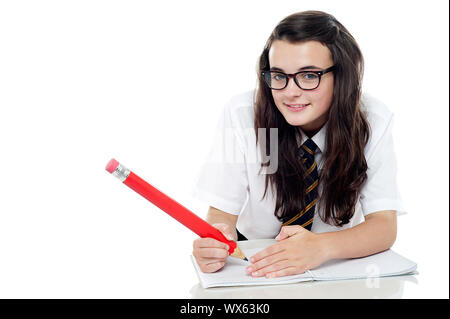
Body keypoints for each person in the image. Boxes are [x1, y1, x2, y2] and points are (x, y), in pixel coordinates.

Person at [192, 10, 405, 278]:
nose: (290, 92)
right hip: (255, 258)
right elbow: (221, 214)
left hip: (335, 261)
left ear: (341, 76)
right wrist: (216, 240)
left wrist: (321, 248)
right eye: (279, 75)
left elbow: (383, 226)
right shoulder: (242, 114)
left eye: (308, 75)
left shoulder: (373, 119)